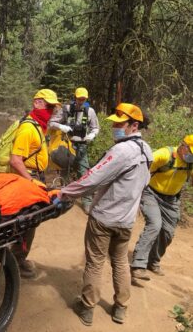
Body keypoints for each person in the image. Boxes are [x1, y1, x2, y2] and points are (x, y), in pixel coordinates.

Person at [58, 103, 152, 326]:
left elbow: (92, 179)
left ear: (133, 125)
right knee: (120, 262)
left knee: (95, 263)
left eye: (120, 123)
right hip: (127, 220)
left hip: (104, 219)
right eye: (114, 123)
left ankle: (87, 308)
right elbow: (145, 181)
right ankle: (120, 308)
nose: (115, 127)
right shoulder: (147, 149)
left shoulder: (121, 150)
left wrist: (65, 192)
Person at [9, 88, 60, 279]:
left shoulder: (39, 125)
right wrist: (31, 182)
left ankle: (17, 258)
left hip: (34, 178)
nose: (51, 111)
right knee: (27, 222)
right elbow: (15, 160)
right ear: (37, 103)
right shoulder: (29, 128)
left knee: (30, 222)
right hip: (27, 180)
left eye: (52, 108)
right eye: (49, 106)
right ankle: (15, 261)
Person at [130, 134, 193, 283]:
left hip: (171, 199)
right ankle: (138, 265)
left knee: (168, 232)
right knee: (155, 225)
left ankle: (153, 261)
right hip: (151, 193)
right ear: (183, 145)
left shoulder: (190, 164)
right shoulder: (165, 154)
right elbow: (142, 166)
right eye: (190, 152)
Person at [49, 87, 100, 214]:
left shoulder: (90, 111)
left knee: (84, 173)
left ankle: (87, 202)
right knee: (64, 170)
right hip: (67, 144)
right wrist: (61, 126)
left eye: (83, 98)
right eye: (79, 98)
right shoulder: (66, 109)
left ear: (86, 98)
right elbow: (51, 122)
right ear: (75, 97)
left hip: (82, 145)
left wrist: (92, 135)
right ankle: (63, 196)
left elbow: (95, 128)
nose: (81, 101)